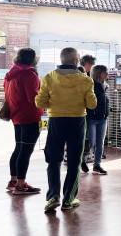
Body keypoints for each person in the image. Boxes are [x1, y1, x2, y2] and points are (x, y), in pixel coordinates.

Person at [35, 47, 97, 212]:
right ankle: (68, 199)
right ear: (76, 61)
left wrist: (55, 103)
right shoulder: (85, 80)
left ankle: (53, 196)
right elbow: (92, 104)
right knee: (74, 160)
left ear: (62, 60)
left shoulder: (49, 78)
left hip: (56, 120)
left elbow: (40, 103)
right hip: (77, 121)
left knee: (54, 160)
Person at [5, 48, 44, 194]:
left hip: (16, 115)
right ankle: (21, 185)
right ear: (32, 59)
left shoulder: (11, 74)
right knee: (26, 151)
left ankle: (13, 181)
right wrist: (44, 101)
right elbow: (33, 99)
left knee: (19, 148)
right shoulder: (29, 75)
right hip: (29, 117)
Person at [86, 65, 110, 175]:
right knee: (90, 141)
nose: (107, 74)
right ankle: (82, 161)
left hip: (103, 118)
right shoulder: (90, 85)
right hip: (92, 118)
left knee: (100, 143)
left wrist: (107, 111)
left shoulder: (105, 85)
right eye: (105, 72)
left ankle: (97, 164)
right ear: (98, 73)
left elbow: (105, 101)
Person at [79, 55, 96, 170]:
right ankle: (82, 160)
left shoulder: (92, 76)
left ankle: (83, 159)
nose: (93, 66)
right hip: (83, 112)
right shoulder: (84, 77)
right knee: (84, 138)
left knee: (87, 139)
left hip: (87, 112)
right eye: (92, 64)